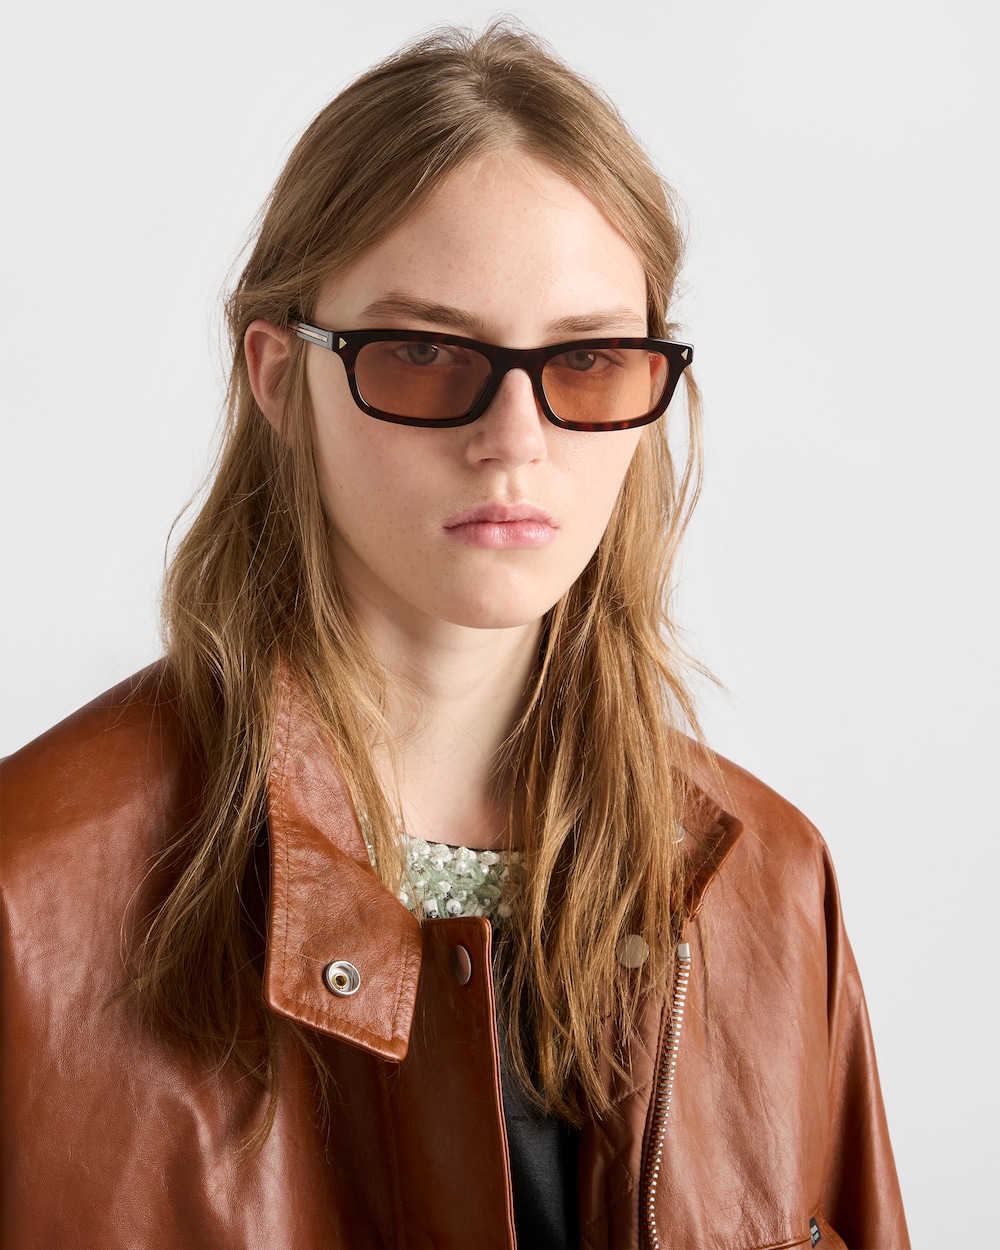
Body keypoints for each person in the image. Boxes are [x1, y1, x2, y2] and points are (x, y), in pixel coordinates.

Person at [0, 22, 908, 1250]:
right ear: (278, 377)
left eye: (586, 360)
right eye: (425, 353)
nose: (514, 439)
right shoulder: (31, 898)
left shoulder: (773, 891)